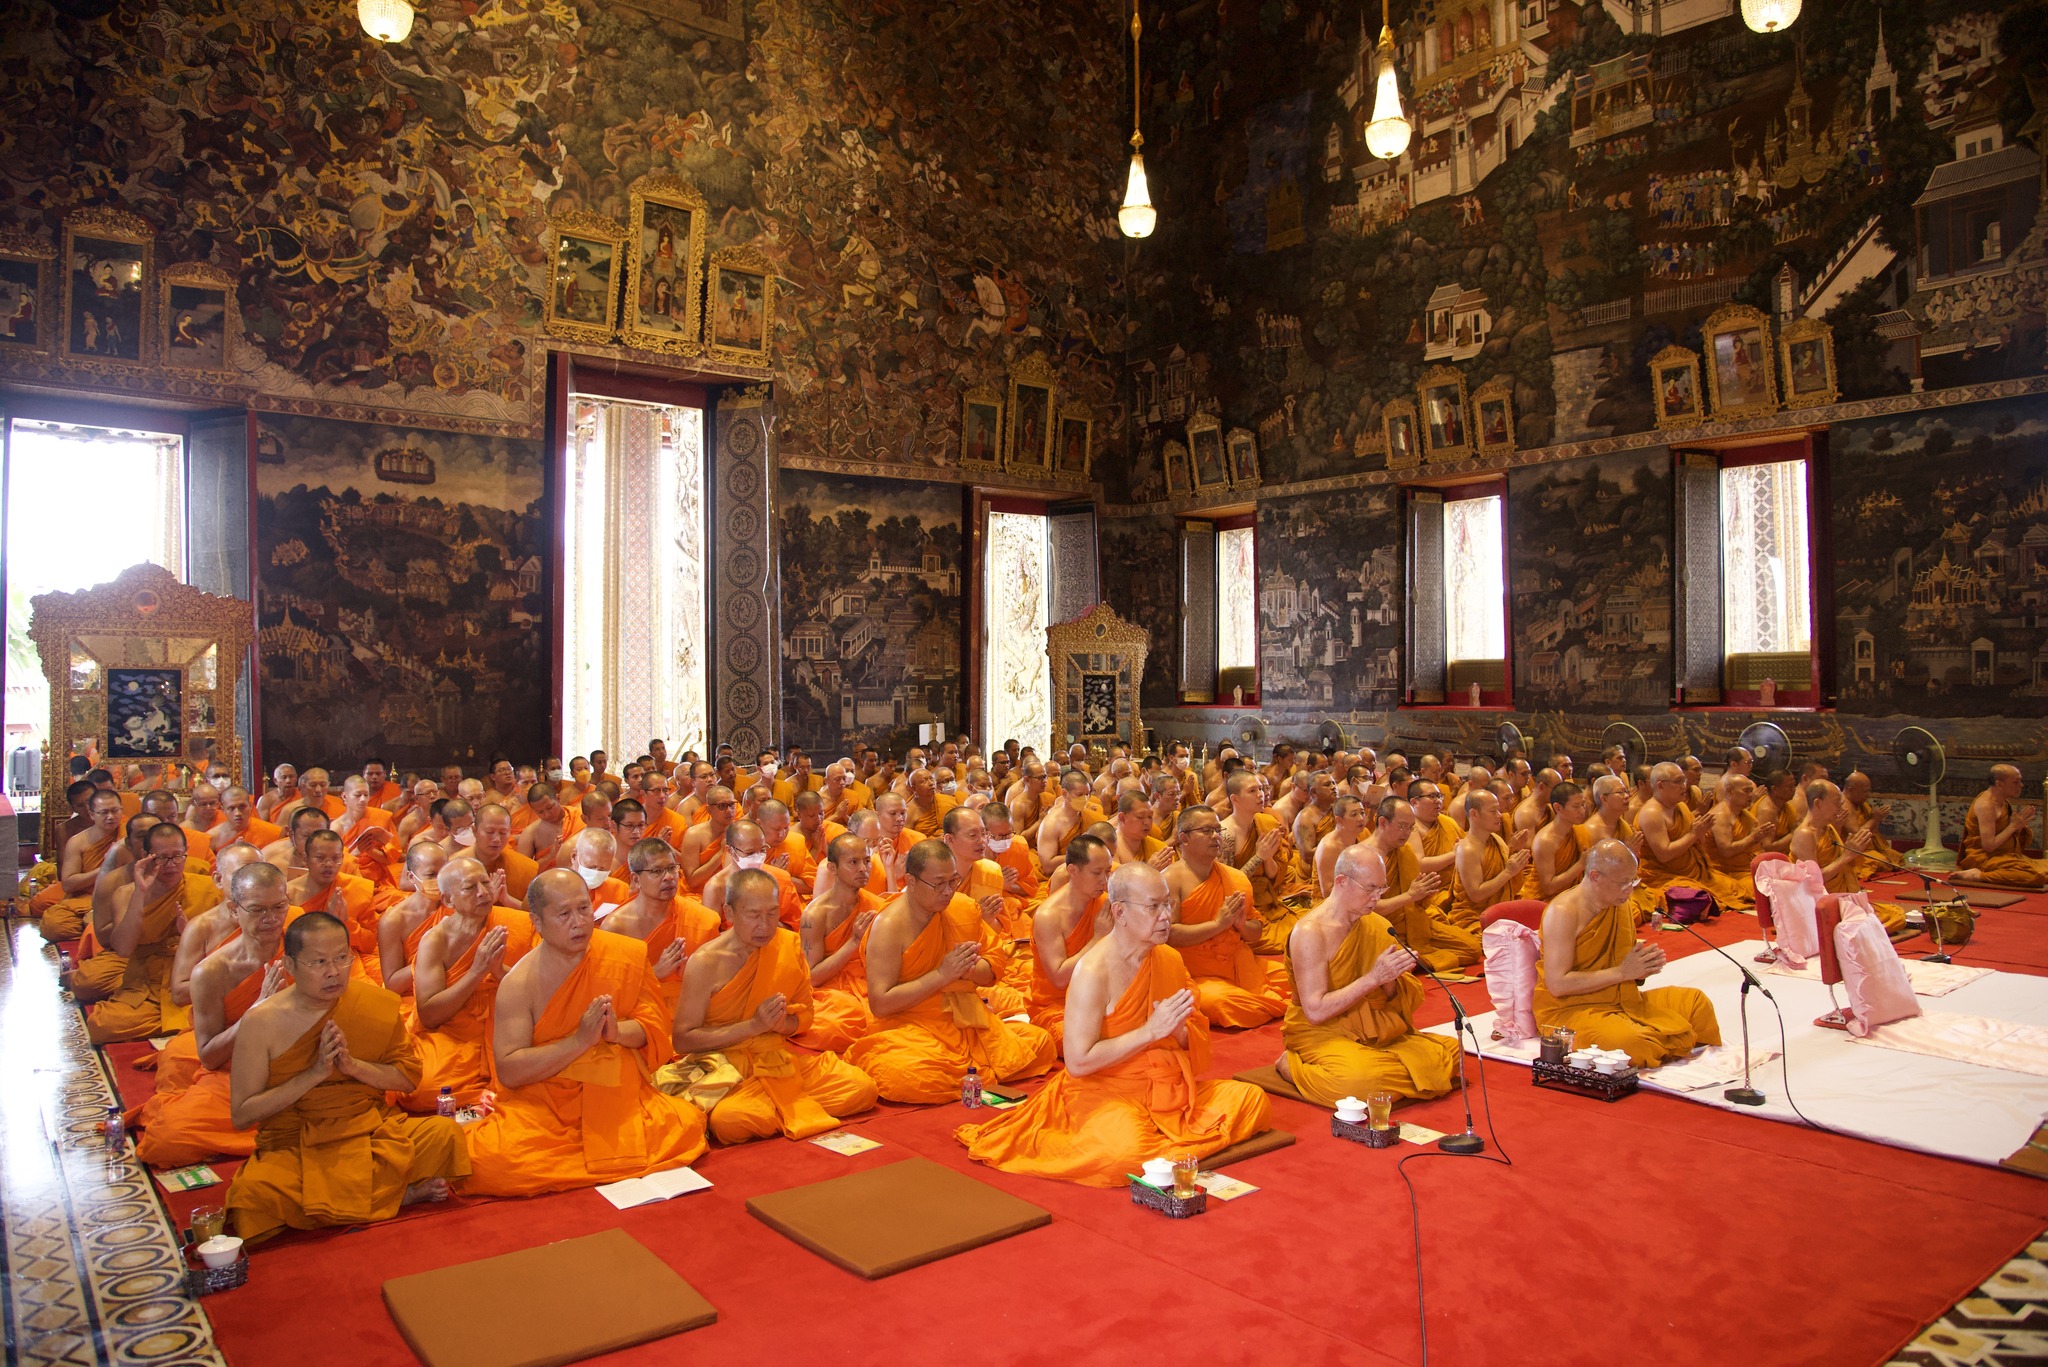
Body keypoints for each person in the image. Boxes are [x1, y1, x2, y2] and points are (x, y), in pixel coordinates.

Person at [958, 862, 1270, 1187]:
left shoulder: (1168, 959)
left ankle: (1163, 1148)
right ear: (1119, 912)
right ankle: (1162, 1146)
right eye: (1153, 907)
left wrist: (1178, 1030)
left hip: (1166, 1087)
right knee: (1123, 1154)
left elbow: (1189, 1035)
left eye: (1167, 904)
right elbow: (1078, 1062)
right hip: (1105, 1091)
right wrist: (1150, 1032)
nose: (1166, 915)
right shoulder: (1093, 972)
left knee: (1252, 1099)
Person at [224, 912, 468, 1244]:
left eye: (342, 958)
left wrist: (353, 1067)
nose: (333, 971)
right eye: (319, 962)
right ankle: (396, 1194)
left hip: (368, 1129)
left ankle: (360, 1199)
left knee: (444, 1133)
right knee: (254, 1197)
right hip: (298, 1141)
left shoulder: (374, 1004)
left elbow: (408, 1079)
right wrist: (314, 1074)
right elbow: (242, 1114)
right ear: (290, 966)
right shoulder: (261, 1022)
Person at [463, 870, 709, 1196]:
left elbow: (655, 1030)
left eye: (583, 909)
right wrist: (578, 1042)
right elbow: (509, 1070)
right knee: (487, 1162)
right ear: (536, 921)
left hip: (617, 1098)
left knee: (689, 1125)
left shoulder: (625, 955)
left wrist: (616, 1033)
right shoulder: (518, 983)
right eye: (564, 914)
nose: (579, 922)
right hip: (547, 1109)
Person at [672, 870, 878, 1143]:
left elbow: (805, 1016)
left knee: (861, 1088)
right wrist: (752, 1027)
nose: (765, 925)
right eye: (754, 915)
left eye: (772, 914)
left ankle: (776, 1111)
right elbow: (683, 1040)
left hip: (779, 1059)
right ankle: (785, 1108)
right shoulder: (705, 962)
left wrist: (784, 1024)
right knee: (729, 1121)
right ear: (729, 913)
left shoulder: (788, 945)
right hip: (727, 1067)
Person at [845, 840, 1056, 1103]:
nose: (947, 891)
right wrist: (941, 976)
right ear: (910, 880)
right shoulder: (888, 926)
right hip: (913, 1027)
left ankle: (974, 1073)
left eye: (952, 881)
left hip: (969, 1020)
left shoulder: (962, 907)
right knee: (903, 1075)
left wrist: (967, 970)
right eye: (938, 884)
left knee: (1043, 1044)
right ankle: (978, 1073)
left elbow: (994, 965)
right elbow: (881, 1003)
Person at [133, 861, 294, 1167]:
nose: (272, 919)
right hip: (240, 1073)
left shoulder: (303, 945)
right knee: (166, 1141)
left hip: (301, 1069)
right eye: (258, 910)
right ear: (234, 910)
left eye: (279, 906)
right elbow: (208, 1057)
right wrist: (255, 1012)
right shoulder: (211, 971)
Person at [1277, 845, 1459, 1104]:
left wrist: (1391, 979)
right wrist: (1373, 978)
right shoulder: (1311, 932)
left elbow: (1396, 1002)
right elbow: (1315, 1011)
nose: (1377, 898)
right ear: (1341, 882)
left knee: (1452, 1052)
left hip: (1373, 1029)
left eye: (1382, 889)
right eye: (1370, 889)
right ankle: (1292, 1065)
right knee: (1356, 1082)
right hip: (1322, 1030)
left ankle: (1384, 1072)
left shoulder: (1379, 925)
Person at [1533, 841, 1720, 1067]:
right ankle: (1660, 1041)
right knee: (1631, 1043)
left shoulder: (1619, 904)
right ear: (1595, 876)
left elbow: (1623, 964)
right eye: (1623, 883)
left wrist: (1642, 968)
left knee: (1697, 1004)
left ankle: (1658, 1041)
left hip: (1623, 1000)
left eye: (1633, 880)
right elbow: (1558, 985)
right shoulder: (1564, 912)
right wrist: (1622, 972)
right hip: (1571, 1011)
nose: (1630, 889)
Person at [397, 856, 537, 1111]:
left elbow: (537, 993)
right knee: (421, 1090)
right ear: (448, 900)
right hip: (453, 1033)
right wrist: (476, 972)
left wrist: (498, 972)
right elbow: (429, 1015)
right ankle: (483, 1094)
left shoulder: (517, 925)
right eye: (470, 888)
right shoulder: (436, 941)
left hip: (507, 1026)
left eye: (485, 883)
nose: (483, 893)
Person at [77, 824, 220, 1042]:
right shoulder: (125, 894)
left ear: (186, 851)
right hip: (146, 978)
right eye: (162, 858)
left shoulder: (207, 887)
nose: (171, 865)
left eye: (178, 856)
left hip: (189, 974)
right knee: (101, 1026)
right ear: (145, 856)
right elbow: (123, 949)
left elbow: (227, 943)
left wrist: (191, 936)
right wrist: (140, 893)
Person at [1162, 808, 1287, 1028]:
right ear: (1184, 838)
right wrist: (1217, 925)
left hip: (1242, 964)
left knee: (1296, 979)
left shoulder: (1235, 877)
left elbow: (1256, 931)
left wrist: (1241, 925)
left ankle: (1263, 1002)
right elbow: (1169, 935)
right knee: (1221, 1003)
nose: (1216, 837)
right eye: (1207, 831)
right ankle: (1269, 1005)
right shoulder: (1171, 879)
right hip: (1196, 973)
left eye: (1218, 830)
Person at [603, 838, 719, 1013]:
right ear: (636, 879)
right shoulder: (615, 927)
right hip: (641, 1013)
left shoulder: (699, 918)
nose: (669, 877)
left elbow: (713, 975)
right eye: (657, 871)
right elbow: (611, 990)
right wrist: (654, 973)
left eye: (672, 868)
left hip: (693, 1006)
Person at [1367, 798, 1478, 972]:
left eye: (1411, 828)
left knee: (1471, 948)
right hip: (1381, 929)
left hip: (1414, 924)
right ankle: (1410, 961)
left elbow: (1415, 898)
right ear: (1382, 822)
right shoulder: (1364, 857)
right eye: (1402, 826)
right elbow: (1368, 909)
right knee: (1391, 961)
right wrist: (1410, 896)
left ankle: (1413, 960)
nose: (1407, 833)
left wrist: (1423, 894)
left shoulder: (1404, 851)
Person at [1789, 782, 1911, 939]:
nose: (1841, 807)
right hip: (1821, 904)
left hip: (1842, 898)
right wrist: (1847, 856)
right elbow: (1813, 881)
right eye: (1836, 802)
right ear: (1818, 803)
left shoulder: (1828, 828)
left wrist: (1850, 852)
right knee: (1879, 921)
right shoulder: (1805, 834)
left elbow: (1841, 863)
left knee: (1895, 914)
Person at [798, 833, 885, 1051]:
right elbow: (813, 977)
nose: (863, 869)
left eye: (866, 861)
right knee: (828, 1027)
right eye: (853, 863)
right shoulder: (815, 915)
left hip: (868, 983)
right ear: (833, 868)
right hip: (831, 992)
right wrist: (853, 942)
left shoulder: (875, 905)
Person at [1028, 833, 1114, 1040]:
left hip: (1100, 995)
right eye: (1097, 873)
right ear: (1073, 871)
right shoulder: (1049, 916)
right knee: (1080, 1040)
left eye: (1108, 872)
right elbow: (1058, 978)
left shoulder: (1105, 903)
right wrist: (1096, 939)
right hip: (1056, 1005)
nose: (1105, 880)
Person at [1635, 762, 1752, 910]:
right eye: (1678, 782)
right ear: (1660, 785)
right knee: (1699, 899)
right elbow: (1664, 854)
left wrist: (1701, 833)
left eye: (1684, 780)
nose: (1684, 785)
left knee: (1735, 889)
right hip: (1664, 876)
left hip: (1695, 873)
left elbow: (1695, 840)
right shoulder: (1652, 813)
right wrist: (1694, 834)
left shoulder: (1681, 806)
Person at [1221, 772, 1312, 954]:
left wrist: (1268, 858)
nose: (1260, 794)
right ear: (1235, 799)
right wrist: (1259, 857)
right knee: (1293, 941)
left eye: (1261, 789)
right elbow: (1227, 887)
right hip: (1243, 912)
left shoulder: (1266, 822)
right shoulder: (1225, 835)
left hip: (1269, 903)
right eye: (1252, 790)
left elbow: (1274, 877)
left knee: (1311, 927)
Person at [34, 788, 124, 936]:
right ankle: (97, 928)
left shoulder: (130, 835)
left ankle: (97, 928)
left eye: (115, 811)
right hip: (87, 897)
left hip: (121, 895)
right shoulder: (78, 842)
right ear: (92, 814)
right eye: (103, 812)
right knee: (53, 926)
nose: (110, 817)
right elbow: (68, 884)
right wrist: (103, 870)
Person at [375, 843, 450, 999]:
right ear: (411, 877)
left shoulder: (458, 904)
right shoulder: (394, 921)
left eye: (444, 873)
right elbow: (393, 985)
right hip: (416, 997)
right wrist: (432, 955)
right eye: (431, 874)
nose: (439, 880)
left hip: (457, 986)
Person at [1449, 789, 1530, 930]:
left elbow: (1509, 885)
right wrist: (1508, 873)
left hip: (1501, 911)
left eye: (1498, 810)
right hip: (1474, 917)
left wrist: (1514, 852)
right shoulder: (1467, 850)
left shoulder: (1496, 839)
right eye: (1493, 811)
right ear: (1474, 814)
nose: (1499, 815)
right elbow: (1476, 895)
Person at [1957, 765, 2047, 886]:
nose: (2021, 785)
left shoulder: (2002, 801)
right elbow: (1989, 846)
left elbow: (2006, 837)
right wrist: (2013, 827)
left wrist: (2018, 827)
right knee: (2035, 877)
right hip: (1985, 859)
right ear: (1999, 784)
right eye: (2016, 782)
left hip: (2006, 857)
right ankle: (1978, 875)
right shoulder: (1986, 806)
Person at [1524, 782, 1591, 901]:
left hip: (1573, 896)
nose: (1582, 811)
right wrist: (1580, 864)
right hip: (1544, 902)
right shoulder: (1545, 841)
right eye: (1576, 806)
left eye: (1583, 804)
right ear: (1558, 808)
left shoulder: (1579, 831)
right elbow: (1549, 888)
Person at [473, 803, 537, 906]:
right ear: (474, 831)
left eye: (503, 833)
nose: (497, 839)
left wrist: (507, 899)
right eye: (490, 832)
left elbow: (538, 915)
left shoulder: (526, 868)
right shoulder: (456, 867)